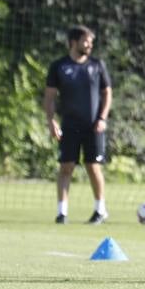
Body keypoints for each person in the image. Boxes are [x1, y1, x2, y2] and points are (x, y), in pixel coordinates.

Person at [44, 25, 112, 224]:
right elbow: (49, 97)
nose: (89, 44)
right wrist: (51, 121)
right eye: (86, 40)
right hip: (69, 125)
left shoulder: (97, 65)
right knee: (66, 167)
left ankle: (100, 210)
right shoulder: (59, 66)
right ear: (73, 42)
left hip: (93, 126)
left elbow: (107, 93)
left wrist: (102, 118)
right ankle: (61, 213)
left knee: (93, 166)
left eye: (91, 41)